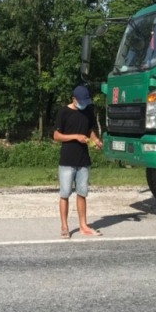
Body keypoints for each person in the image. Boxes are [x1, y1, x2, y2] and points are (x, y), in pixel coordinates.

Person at [53, 84, 103, 238]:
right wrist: (75, 136)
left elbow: (89, 131)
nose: (84, 104)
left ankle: (83, 225)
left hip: (83, 160)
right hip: (67, 160)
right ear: (73, 99)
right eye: (81, 101)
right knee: (65, 193)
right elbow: (56, 136)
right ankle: (64, 226)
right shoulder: (64, 112)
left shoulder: (88, 111)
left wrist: (95, 141)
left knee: (82, 193)